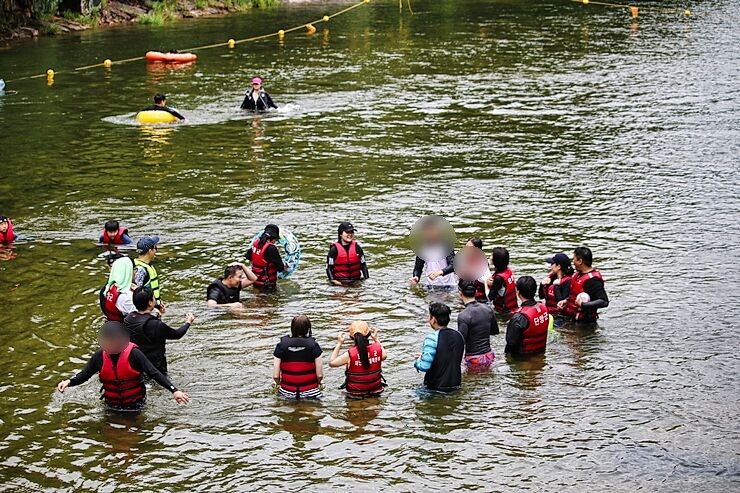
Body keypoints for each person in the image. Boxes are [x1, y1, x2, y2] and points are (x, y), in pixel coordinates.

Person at [56, 321, 190, 411]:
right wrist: (69, 382)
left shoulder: (134, 354)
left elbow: (153, 372)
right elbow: (85, 374)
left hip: (136, 406)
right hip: (111, 407)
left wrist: (174, 390)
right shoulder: (99, 357)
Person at [123, 287, 194, 374]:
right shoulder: (156, 325)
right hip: (156, 367)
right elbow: (177, 334)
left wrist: (159, 316)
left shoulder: (128, 319)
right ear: (150, 302)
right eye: (153, 297)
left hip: (136, 365)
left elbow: (145, 330)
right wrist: (188, 322)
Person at [413, 303, 465, 392]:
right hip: (455, 385)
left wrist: (418, 361)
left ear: (433, 319)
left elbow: (424, 366)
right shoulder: (459, 335)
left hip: (435, 388)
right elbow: (448, 356)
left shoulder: (432, 338)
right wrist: (424, 356)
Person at [329, 321, 386, 398]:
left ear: (351, 337)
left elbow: (332, 363)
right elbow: (384, 356)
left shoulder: (349, 354)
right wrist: (376, 339)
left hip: (355, 395)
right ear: (369, 334)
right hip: (376, 392)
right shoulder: (377, 349)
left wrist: (339, 343)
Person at [273, 315, 323, 399]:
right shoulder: (314, 345)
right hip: (311, 392)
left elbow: (275, 376)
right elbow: (320, 375)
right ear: (308, 328)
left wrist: (279, 384)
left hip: (286, 392)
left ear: (292, 328)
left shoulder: (281, 346)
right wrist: (319, 383)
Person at [558, 246, 609, 323]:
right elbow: (574, 294)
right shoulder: (578, 275)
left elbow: (604, 301)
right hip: (572, 318)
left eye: (574, 259)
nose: (573, 262)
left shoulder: (593, 280)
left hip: (584, 323)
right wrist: (565, 301)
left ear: (580, 261)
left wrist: (583, 304)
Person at [457, 280, 498, 370]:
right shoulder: (488, 309)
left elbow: (460, 342)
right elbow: (495, 331)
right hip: (489, 356)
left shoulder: (463, 316)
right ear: (475, 292)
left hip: (473, 359)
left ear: (460, 294)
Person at [505, 276, 549, 357]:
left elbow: (510, 343)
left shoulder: (519, 317)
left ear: (518, 293)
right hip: (540, 352)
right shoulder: (544, 308)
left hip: (523, 358)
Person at [410, 218, 456, 288]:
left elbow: (453, 265)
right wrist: (416, 277)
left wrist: (441, 272)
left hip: (448, 285)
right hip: (431, 285)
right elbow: (418, 268)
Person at [246, 224, 285, 291]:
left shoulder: (255, 243)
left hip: (255, 281)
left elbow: (248, 256)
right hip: (267, 285)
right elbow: (280, 268)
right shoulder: (271, 248)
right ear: (273, 238)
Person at [100, 256, 136, 322]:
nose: (135, 273)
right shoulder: (126, 295)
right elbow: (140, 316)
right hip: (124, 327)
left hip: (111, 323)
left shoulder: (109, 288)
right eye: (133, 270)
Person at [539, 252, 573, 317]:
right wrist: (542, 285)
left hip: (560, 316)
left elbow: (561, 303)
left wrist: (557, 287)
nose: (550, 266)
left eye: (552, 264)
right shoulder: (551, 278)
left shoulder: (568, 282)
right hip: (549, 312)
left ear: (559, 266)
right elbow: (542, 296)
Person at [487, 247, 518, 316]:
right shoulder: (508, 270)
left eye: (492, 256)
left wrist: (486, 283)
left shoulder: (499, 278)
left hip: (503, 312)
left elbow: (490, 297)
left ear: (496, 261)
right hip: (513, 308)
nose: (490, 257)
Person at [134, 236, 163, 310]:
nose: (156, 250)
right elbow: (137, 295)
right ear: (150, 251)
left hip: (151, 306)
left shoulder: (145, 265)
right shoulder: (140, 270)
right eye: (155, 248)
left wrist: (157, 304)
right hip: (146, 310)